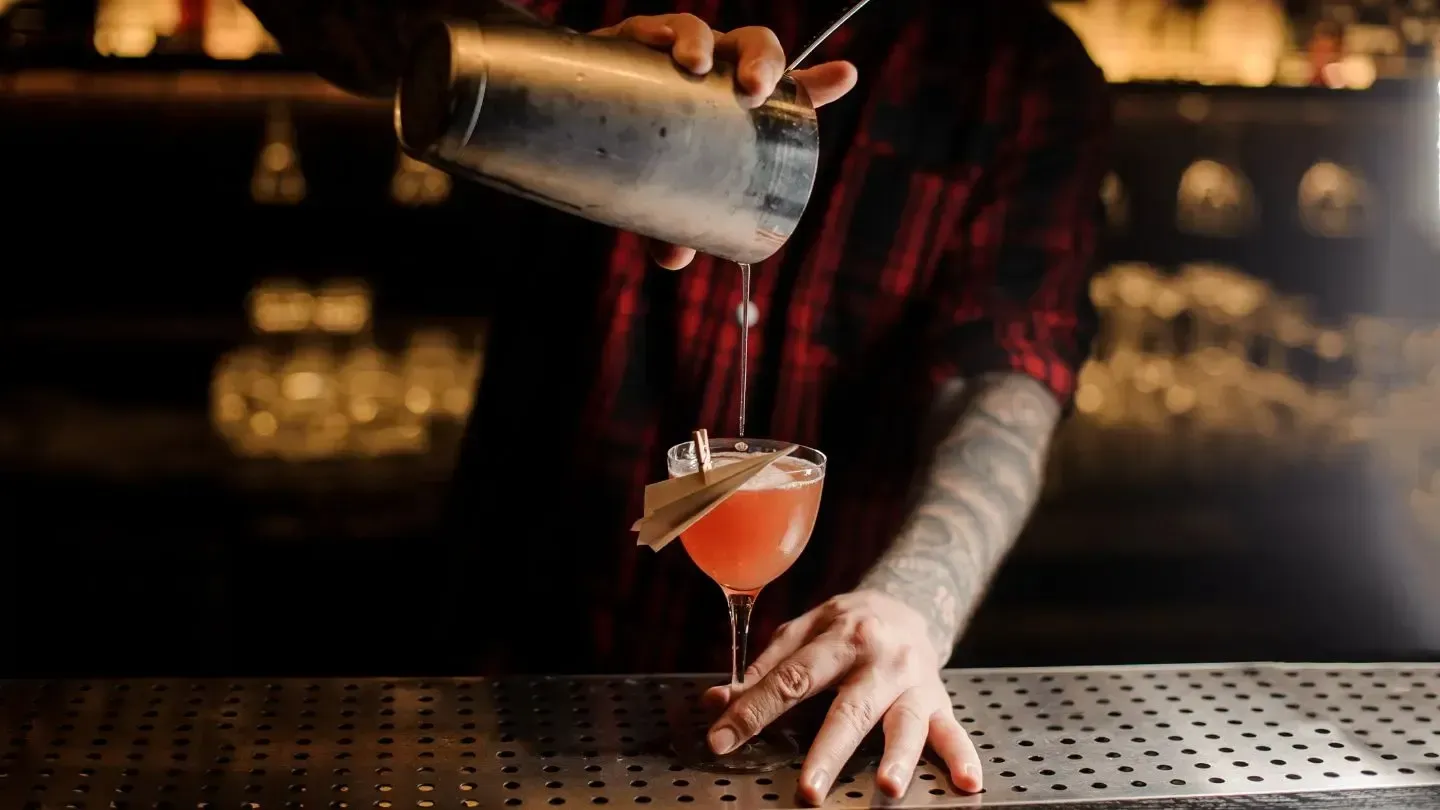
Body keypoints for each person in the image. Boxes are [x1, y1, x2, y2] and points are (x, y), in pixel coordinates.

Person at [239, 0, 1112, 802]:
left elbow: (1009, 377)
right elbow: (358, 34)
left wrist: (916, 599)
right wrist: (556, 71)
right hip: (518, 674)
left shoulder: (1023, 73)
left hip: (804, 724)